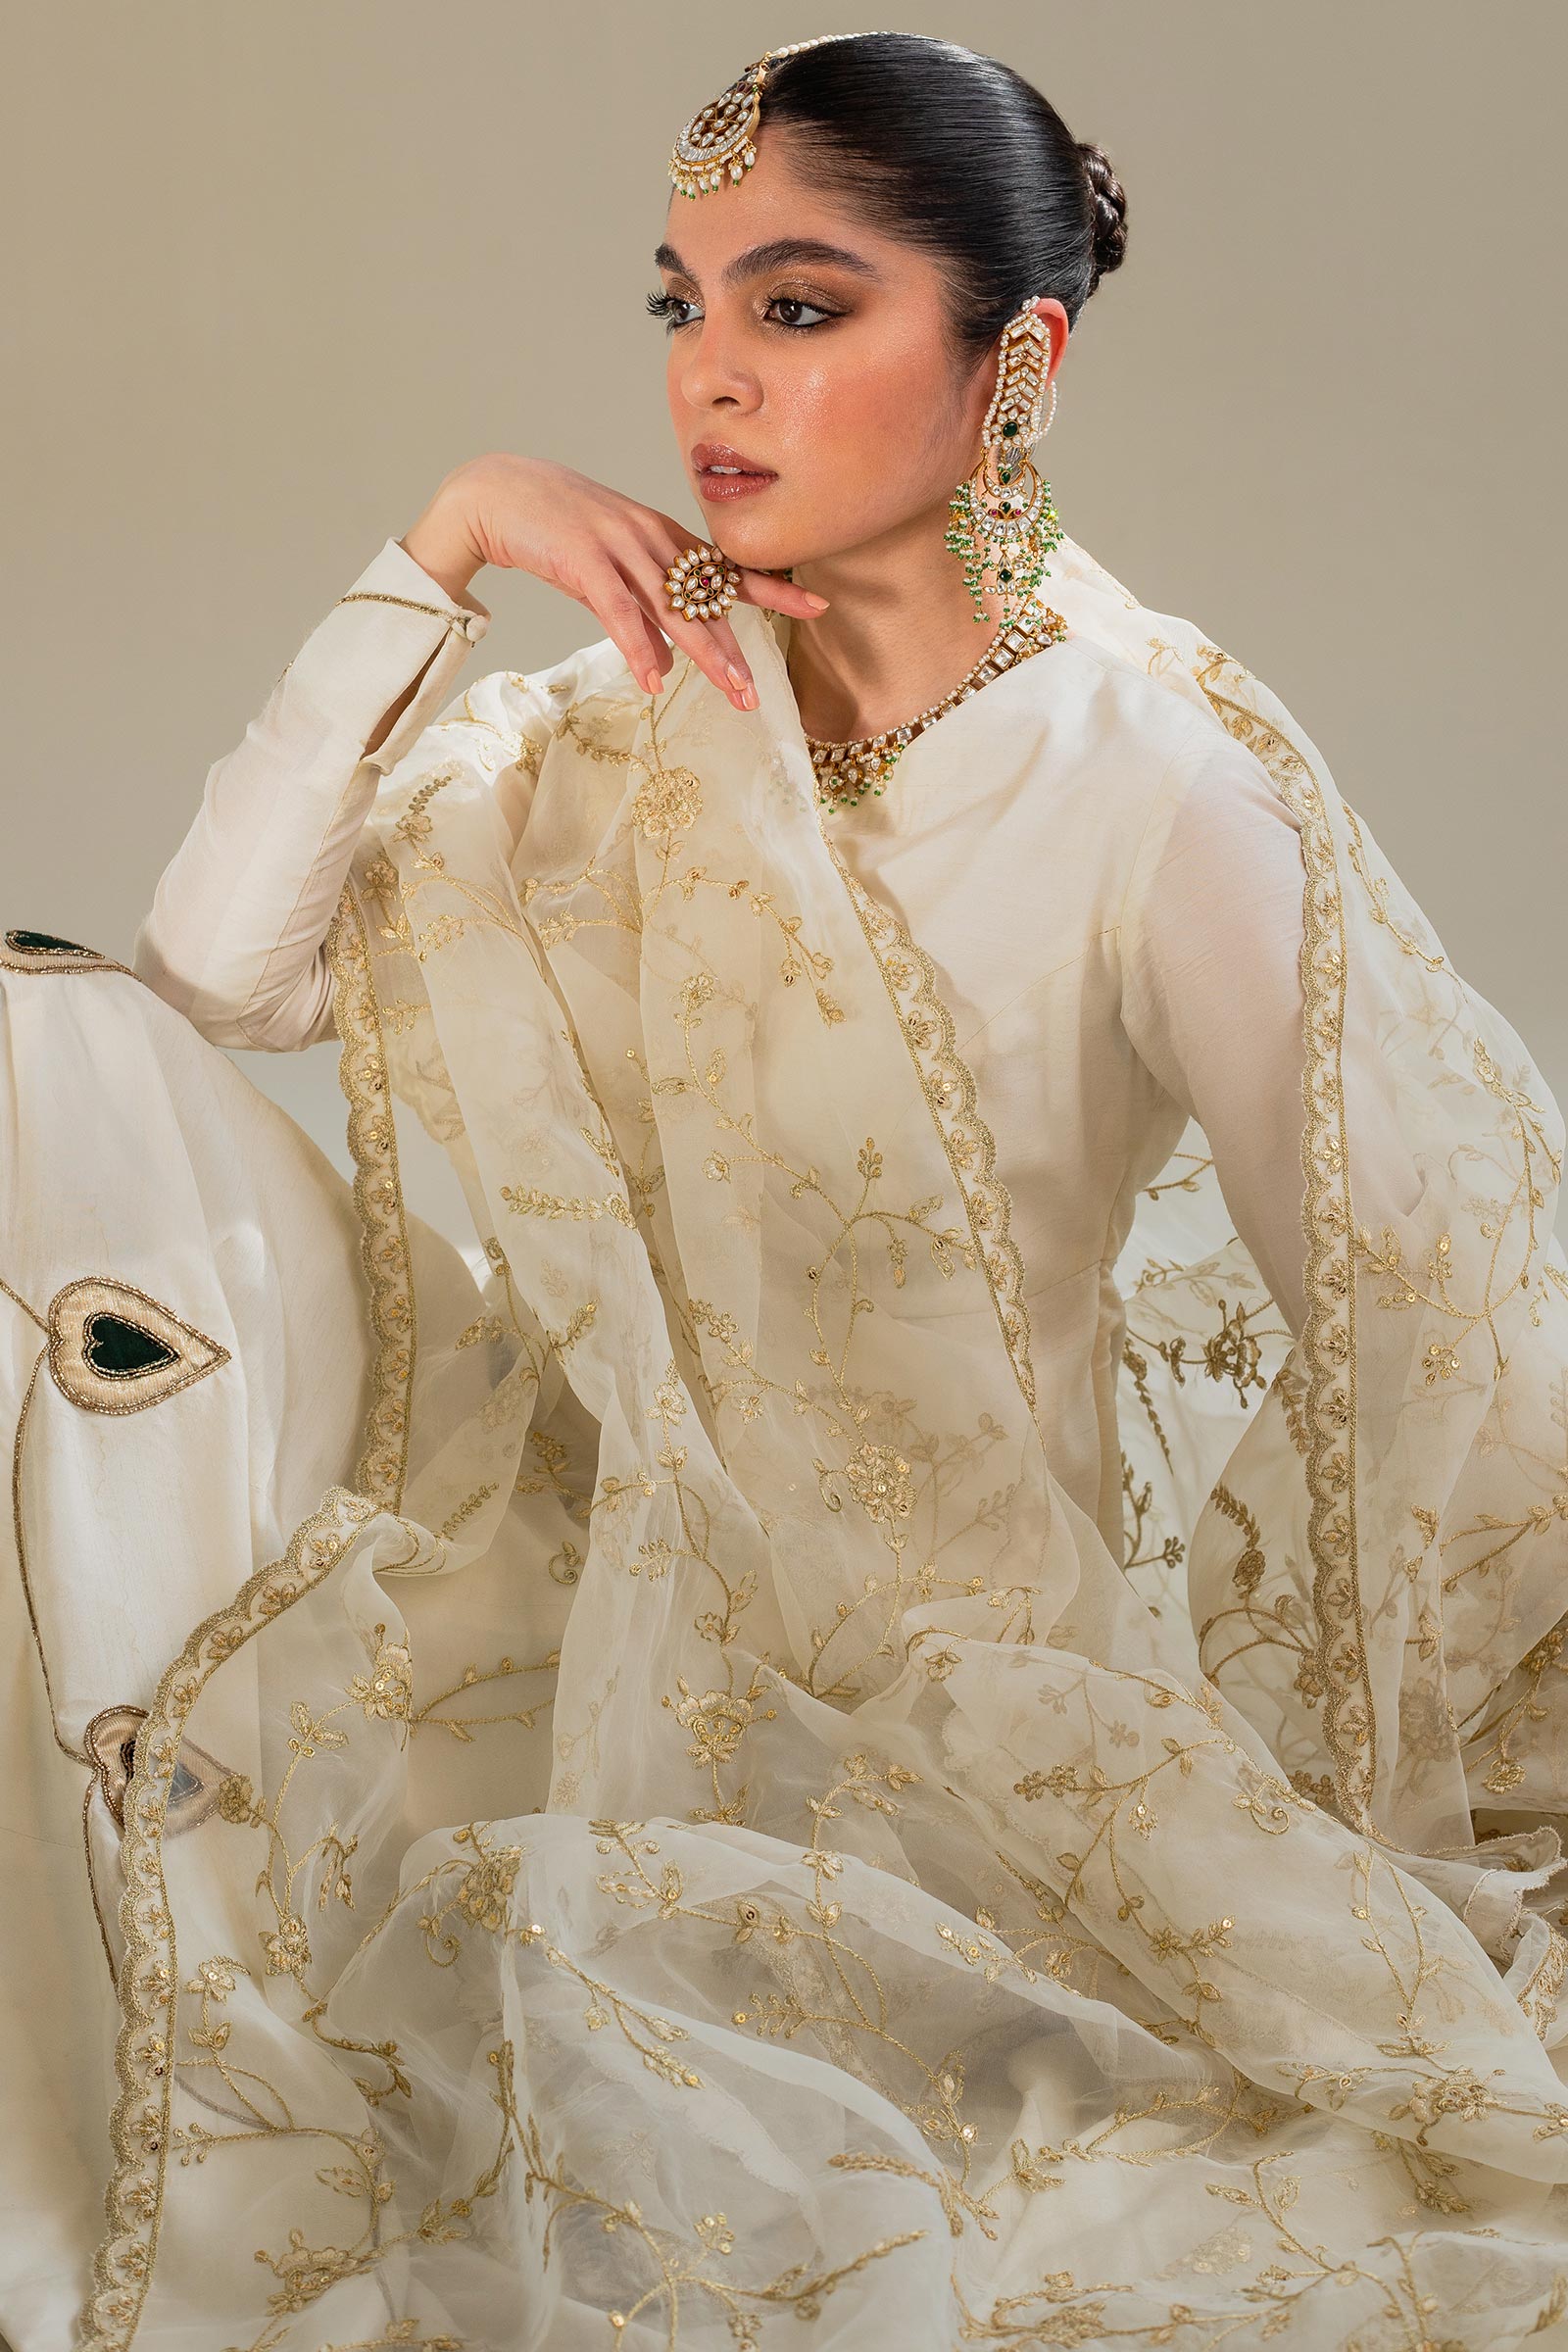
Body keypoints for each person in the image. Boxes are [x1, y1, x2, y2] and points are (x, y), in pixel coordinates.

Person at [5, 32, 1566, 2352]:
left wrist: (1362, 1761)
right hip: (559, 1591)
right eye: (682, 304)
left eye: (800, 306)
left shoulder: (1145, 786)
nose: (708, 377)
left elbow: (1429, 1306)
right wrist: (449, 538)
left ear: (1011, 367)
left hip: (951, 1694)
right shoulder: (617, 730)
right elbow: (209, 978)